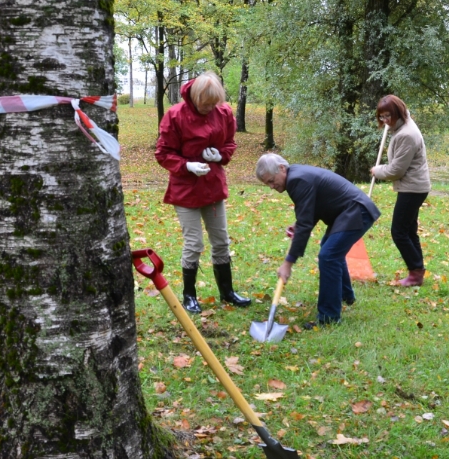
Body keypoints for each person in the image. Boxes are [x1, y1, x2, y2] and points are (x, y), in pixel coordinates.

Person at [155, 71, 251, 314]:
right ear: (195, 97)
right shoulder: (175, 115)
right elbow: (163, 153)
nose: (209, 108)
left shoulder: (224, 112)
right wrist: (187, 165)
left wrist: (221, 155)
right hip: (185, 189)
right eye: (205, 104)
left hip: (213, 186)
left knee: (221, 240)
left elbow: (230, 143)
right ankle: (189, 295)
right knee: (194, 242)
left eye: (213, 103)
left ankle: (227, 292)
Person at [256, 153, 380, 327]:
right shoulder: (296, 176)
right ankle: (345, 295)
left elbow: (306, 224)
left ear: (281, 168)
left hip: (357, 211)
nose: (271, 186)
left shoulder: (297, 180)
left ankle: (329, 318)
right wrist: (298, 225)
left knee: (329, 256)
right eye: (267, 184)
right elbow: (309, 213)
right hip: (348, 212)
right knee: (330, 250)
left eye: (271, 180)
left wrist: (288, 263)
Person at [369, 95, 431, 286]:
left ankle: (415, 273)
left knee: (399, 232)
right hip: (414, 186)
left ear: (398, 113)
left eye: (388, 116)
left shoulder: (406, 135)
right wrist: (390, 122)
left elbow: (396, 170)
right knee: (409, 230)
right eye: (382, 117)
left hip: (413, 188)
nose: (385, 121)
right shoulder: (401, 125)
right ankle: (417, 270)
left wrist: (377, 171)